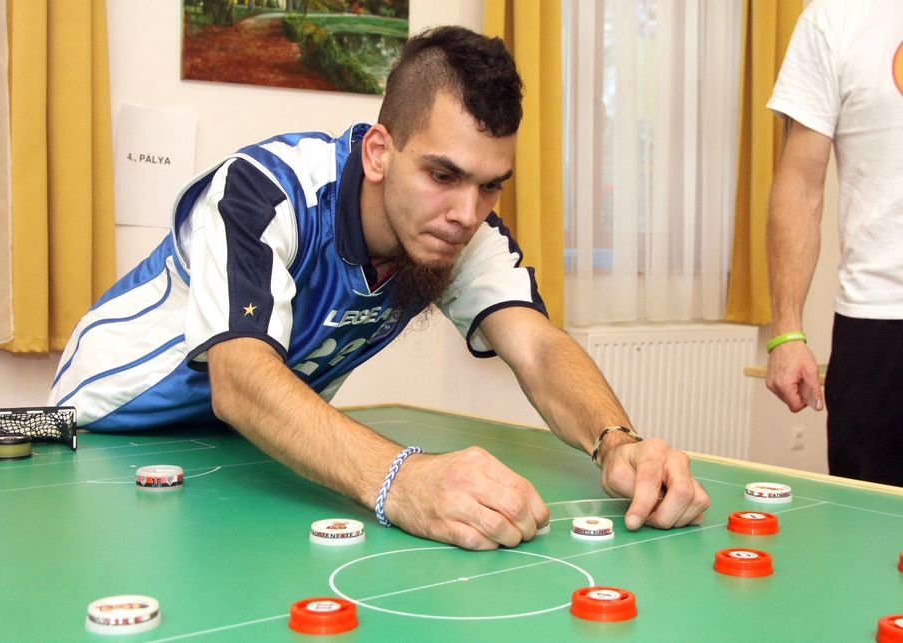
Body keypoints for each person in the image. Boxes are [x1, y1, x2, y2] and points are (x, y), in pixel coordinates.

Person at [50, 26, 710, 548]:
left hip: (246, 449)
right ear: (377, 153)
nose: (466, 212)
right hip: (98, 434)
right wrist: (404, 479)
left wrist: (616, 441)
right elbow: (240, 377)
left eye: (489, 185)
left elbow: (536, 346)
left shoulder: (458, 230)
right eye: (442, 175)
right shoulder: (262, 191)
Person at [765, 0, 903, 486]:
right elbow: (801, 185)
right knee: (871, 518)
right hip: (880, 324)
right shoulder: (837, 18)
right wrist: (787, 332)